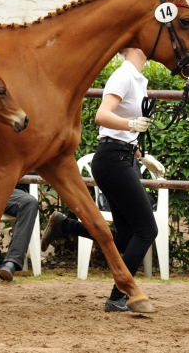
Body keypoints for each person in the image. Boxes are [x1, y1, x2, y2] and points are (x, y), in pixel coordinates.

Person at [41, 48, 165, 312]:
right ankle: (119, 297)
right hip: (113, 161)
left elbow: (123, 132)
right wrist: (132, 124)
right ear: (136, 48)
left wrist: (143, 157)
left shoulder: (138, 78)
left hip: (125, 158)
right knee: (147, 230)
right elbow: (102, 116)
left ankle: (65, 226)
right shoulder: (124, 75)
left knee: (127, 236)